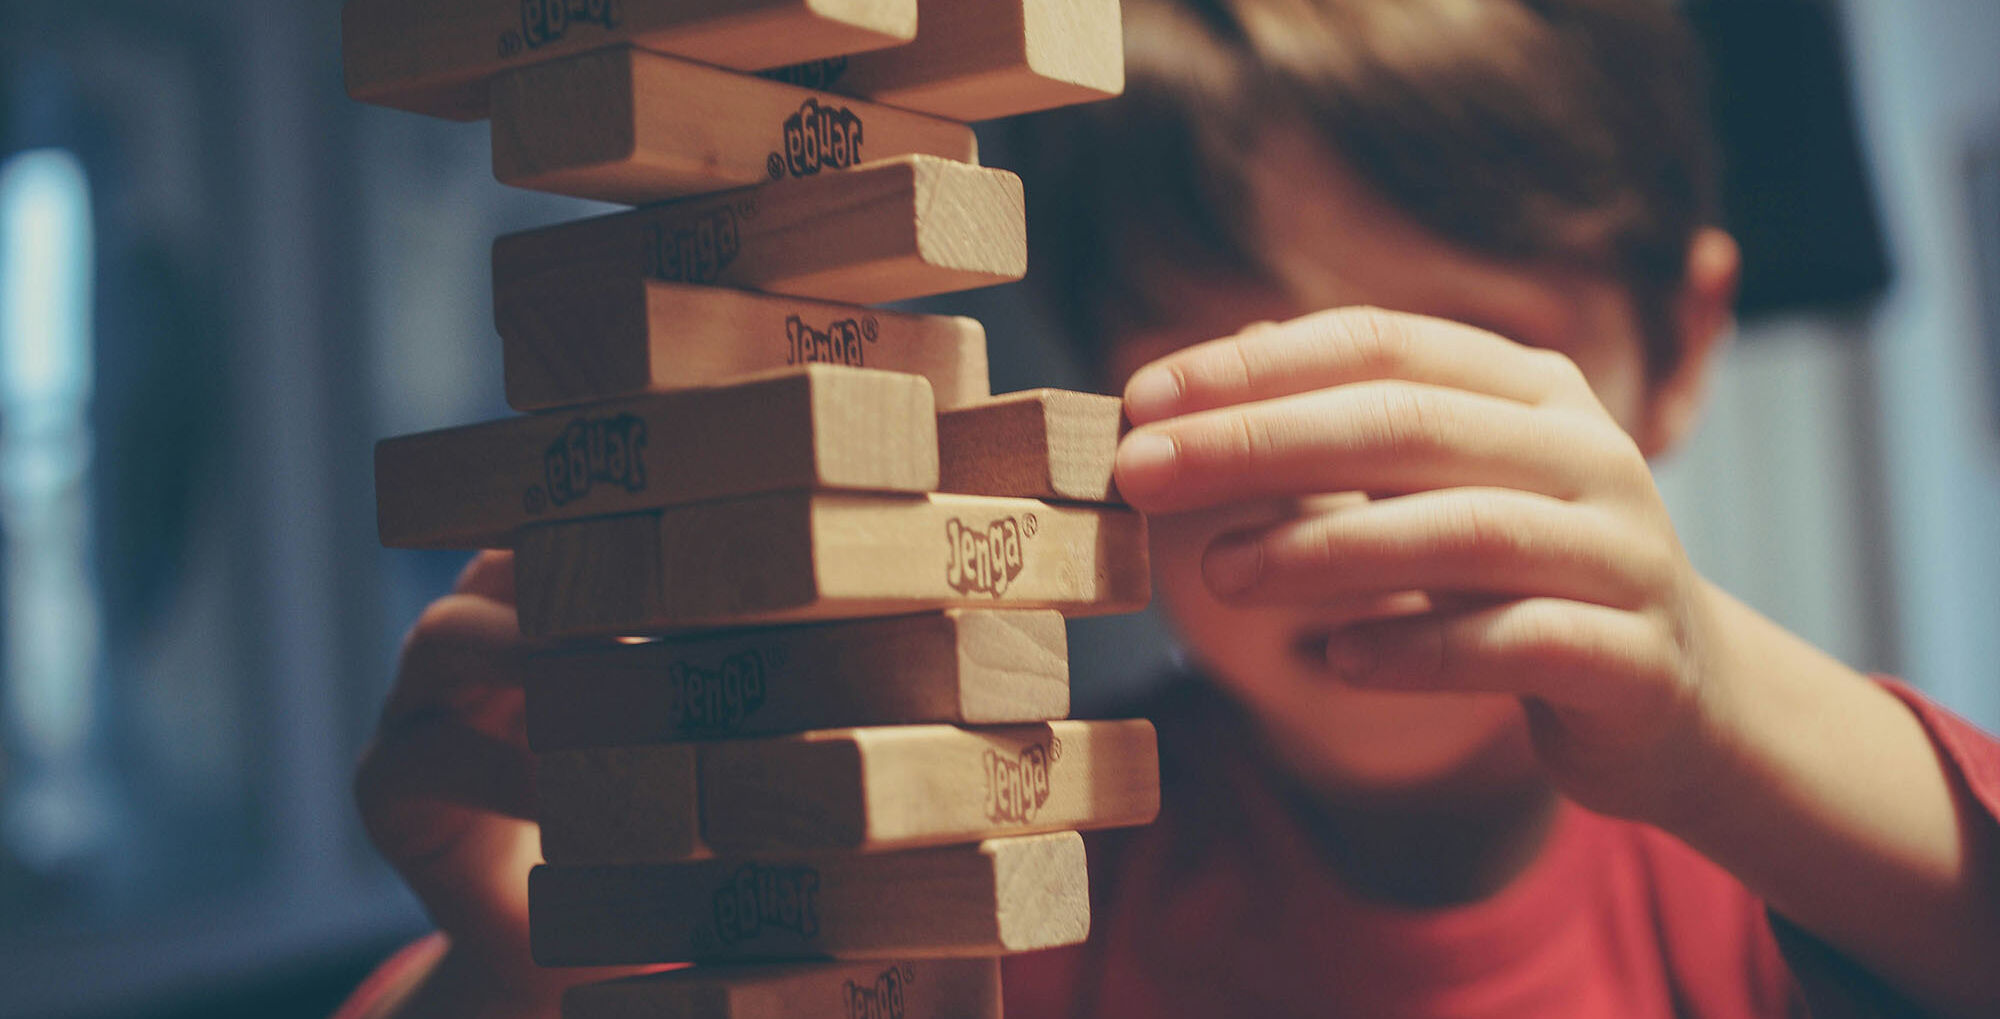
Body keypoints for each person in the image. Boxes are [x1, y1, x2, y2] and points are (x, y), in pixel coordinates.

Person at [338, 1, 2000, 1016]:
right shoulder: (1020, 873)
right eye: (1231, 372)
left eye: (1463, 366)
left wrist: (1712, 710)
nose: (1350, 491)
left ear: (1682, 345)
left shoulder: (1792, 879)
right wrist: (545, 977)